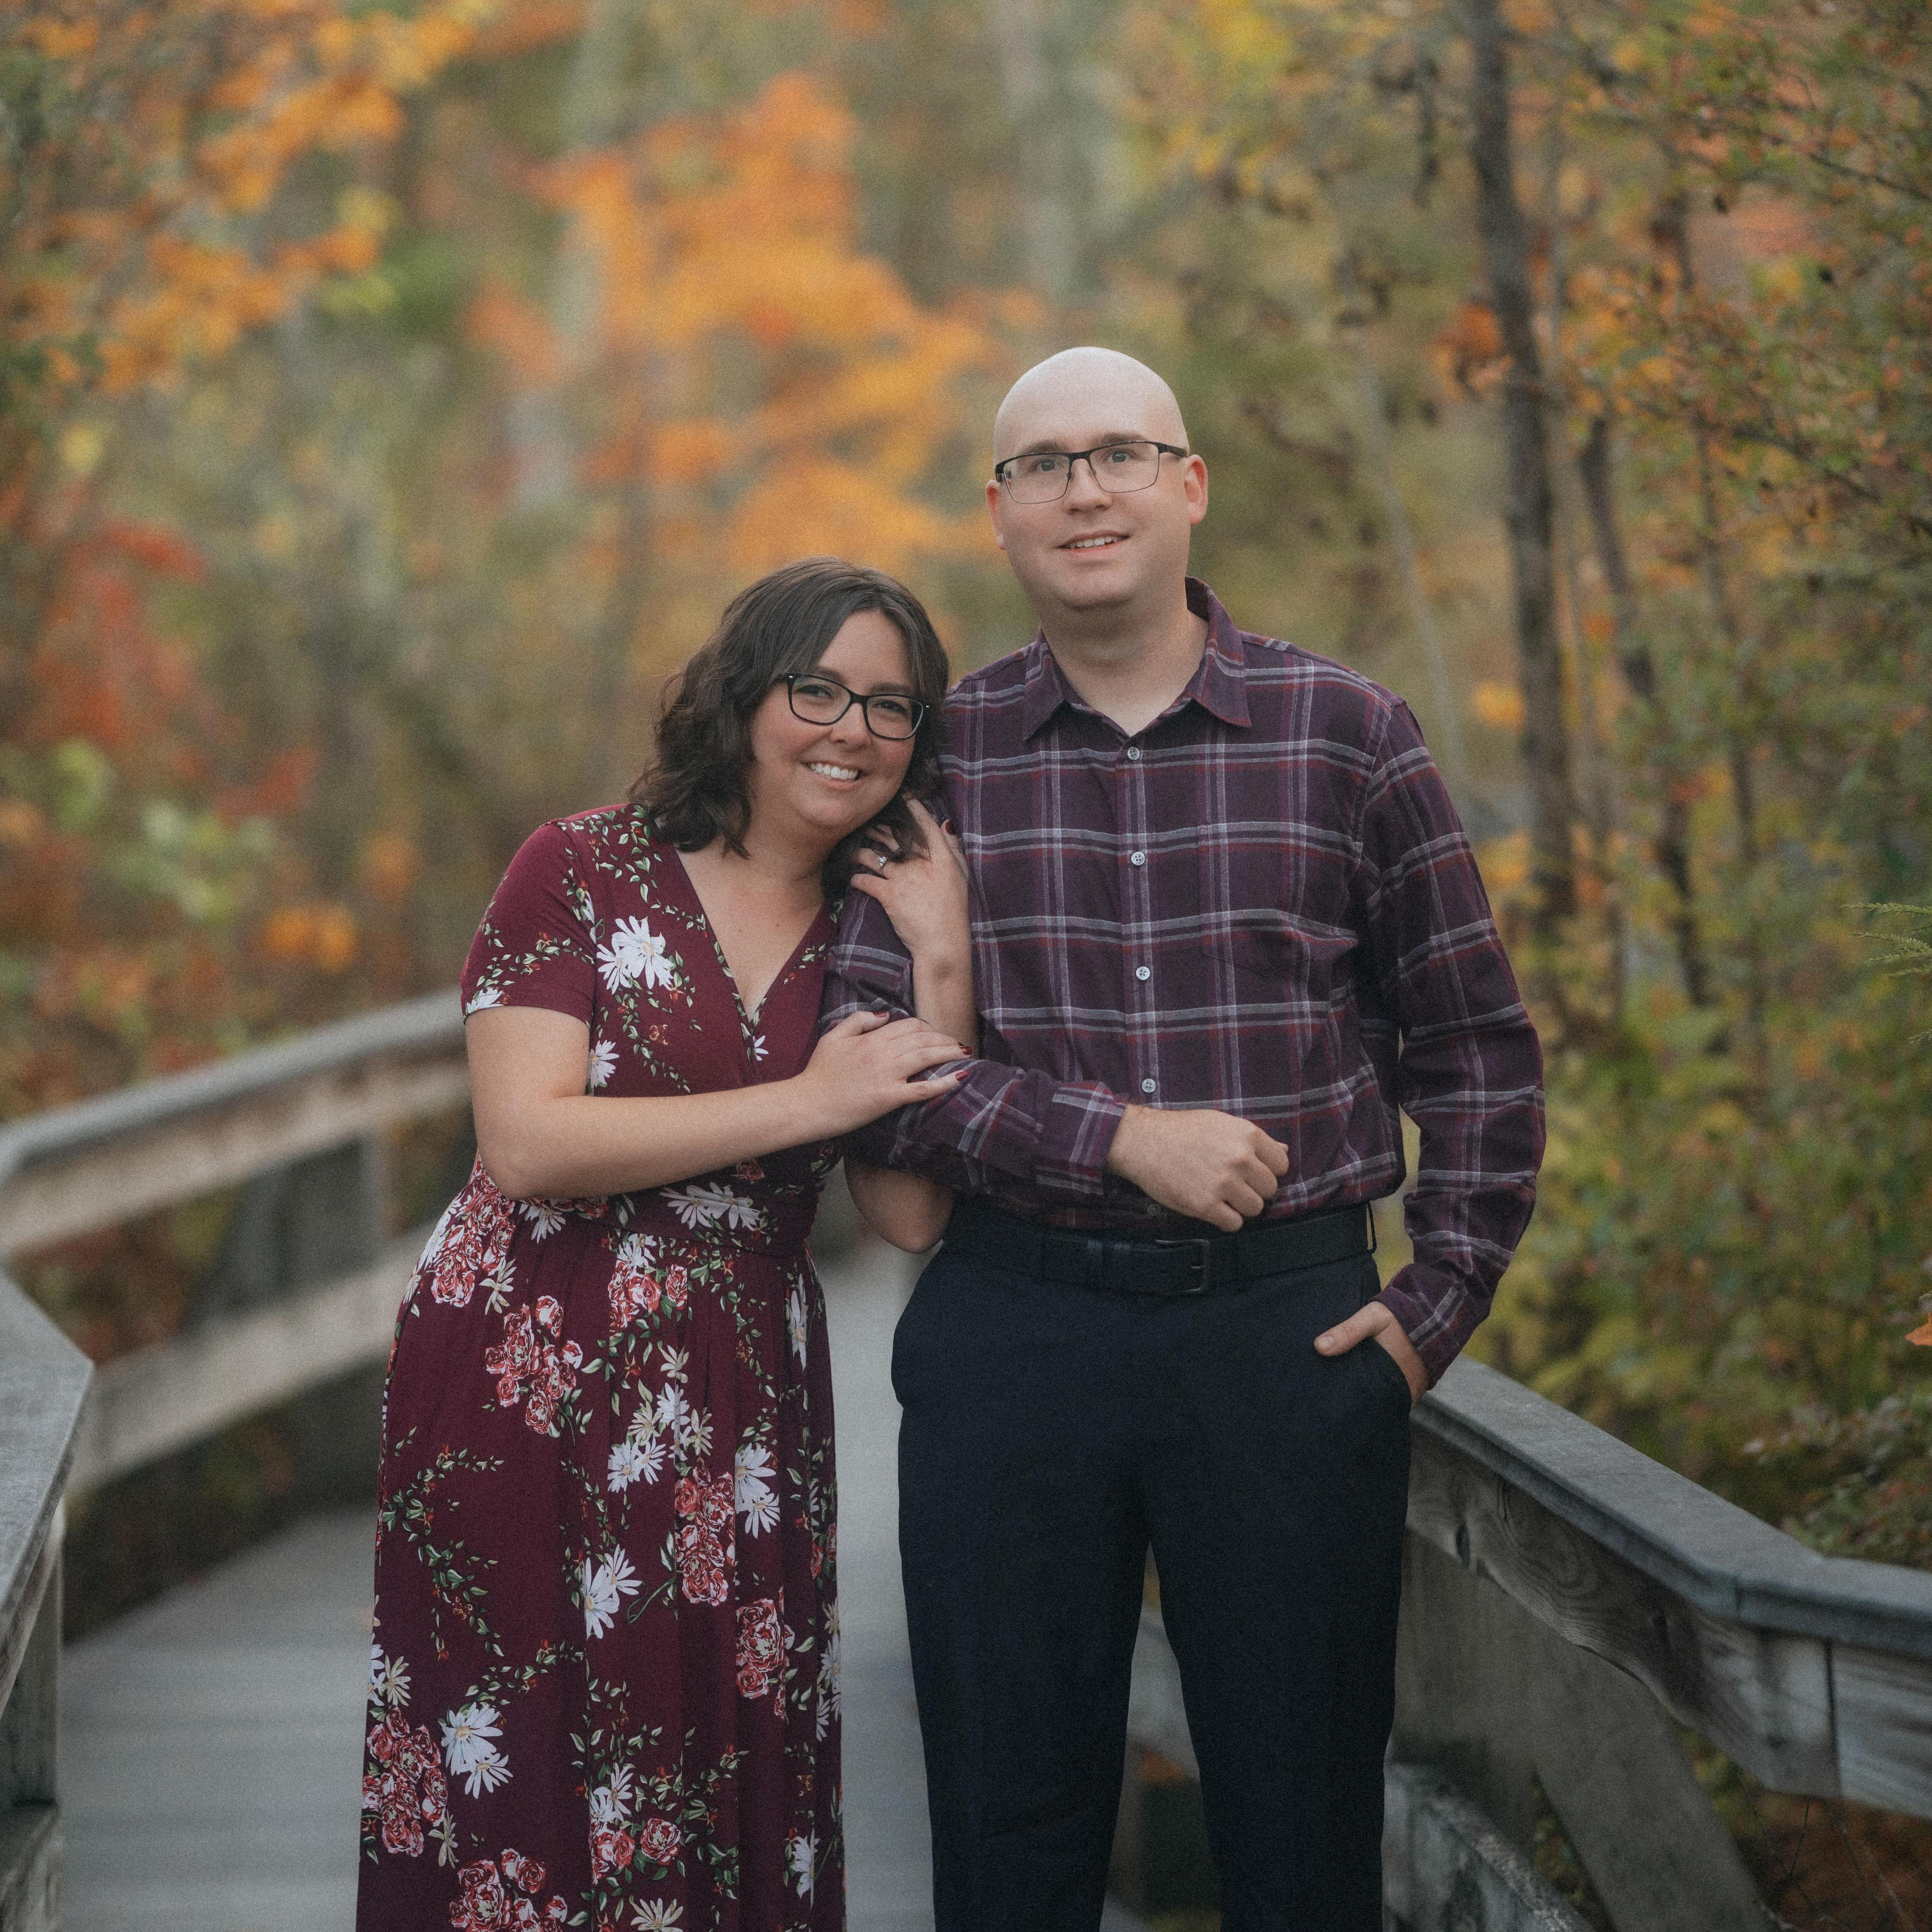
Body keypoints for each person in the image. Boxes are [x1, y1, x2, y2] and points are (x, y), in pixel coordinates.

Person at [824, 348, 1545, 1932]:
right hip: (1012, 1334)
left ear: (1190, 482)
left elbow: (1476, 1052)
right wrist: (1117, 1140)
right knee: (1010, 1838)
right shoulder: (927, 760)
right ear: (997, 514)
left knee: (1299, 1837)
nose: (1086, 489)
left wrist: (1427, 1318)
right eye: (1044, 465)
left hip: (1283, 1341)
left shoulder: (1347, 732)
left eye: (1121, 453)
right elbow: (869, 1065)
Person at [356, 557, 974, 1932]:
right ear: (747, 697)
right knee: (518, 1749)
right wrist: (808, 1103)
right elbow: (527, 1142)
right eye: (818, 688)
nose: (852, 730)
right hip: (527, 1356)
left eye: (892, 707)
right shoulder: (577, 866)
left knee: (721, 1740)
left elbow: (911, 1212)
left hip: (742, 1392)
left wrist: (943, 958)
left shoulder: (872, 929)